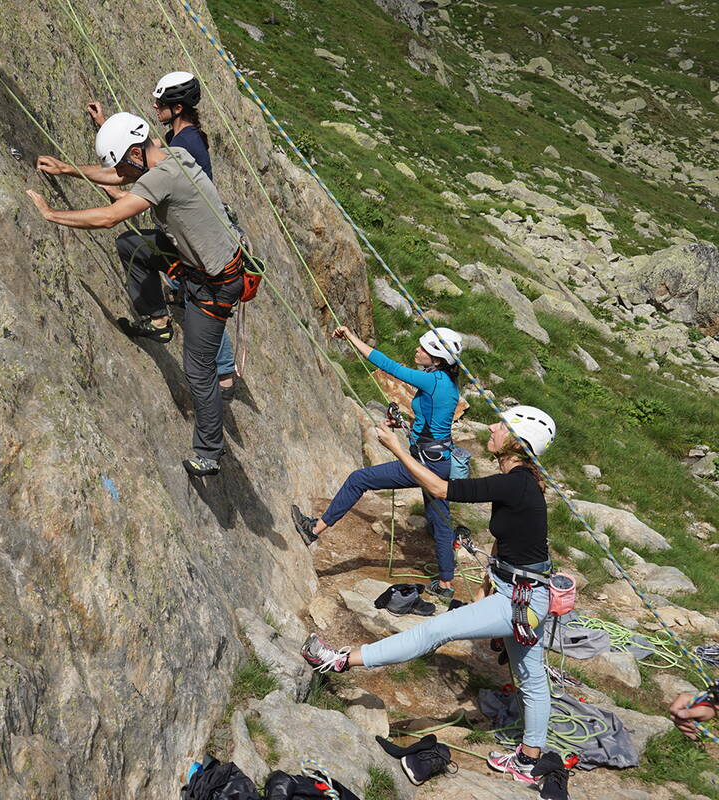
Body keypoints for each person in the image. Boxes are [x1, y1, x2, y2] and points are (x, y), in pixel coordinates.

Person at [299, 405, 559, 784]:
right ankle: (529, 760)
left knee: (438, 631)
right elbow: (513, 538)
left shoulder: (516, 482)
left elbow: (439, 488)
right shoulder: (518, 482)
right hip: (520, 591)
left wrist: (398, 449)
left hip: (521, 599)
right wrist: (489, 583)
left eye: (500, 425)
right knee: (531, 677)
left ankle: (339, 660)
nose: (491, 426)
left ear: (517, 442)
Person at [26, 112, 247, 477]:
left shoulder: (166, 176)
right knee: (134, 245)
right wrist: (67, 169)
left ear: (134, 153)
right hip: (195, 261)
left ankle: (210, 452)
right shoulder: (169, 155)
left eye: (125, 166)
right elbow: (119, 175)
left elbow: (109, 217)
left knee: (197, 368)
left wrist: (52, 214)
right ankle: (158, 319)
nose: (124, 176)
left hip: (216, 285)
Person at [39, 72, 240, 398]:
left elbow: (131, 188)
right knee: (183, 286)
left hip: (194, 239)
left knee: (198, 299)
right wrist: (106, 129)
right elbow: (138, 156)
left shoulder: (185, 144)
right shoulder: (181, 138)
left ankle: (223, 374)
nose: (155, 105)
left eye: (161, 102)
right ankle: (201, 354)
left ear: (177, 108)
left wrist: (52, 213)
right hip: (190, 234)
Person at [290, 325, 464, 598]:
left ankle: (314, 529)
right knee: (439, 520)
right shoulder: (445, 383)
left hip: (425, 462)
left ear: (438, 360)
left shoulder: (433, 381)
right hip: (438, 459)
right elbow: (433, 422)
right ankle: (445, 585)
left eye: (424, 349)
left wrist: (350, 337)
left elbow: (388, 366)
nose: (417, 350)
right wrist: (404, 423)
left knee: (359, 479)